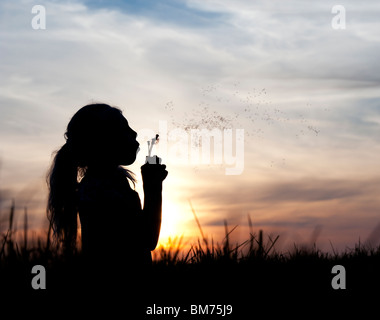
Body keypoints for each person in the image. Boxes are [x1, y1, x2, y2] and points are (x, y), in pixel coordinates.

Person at [46, 104, 168, 277]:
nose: (134, 133)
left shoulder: (100, 185)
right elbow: (146, 239)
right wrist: (153, 187)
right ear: (104, 140)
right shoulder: (102, 189)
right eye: (124, 128)